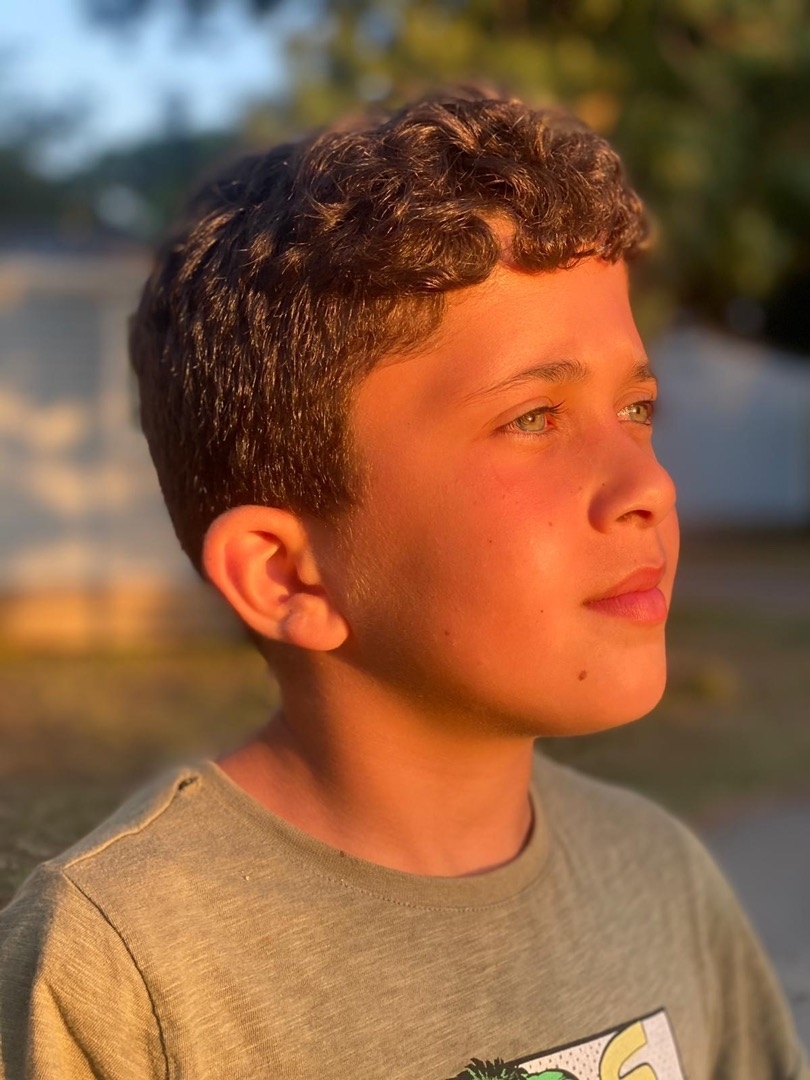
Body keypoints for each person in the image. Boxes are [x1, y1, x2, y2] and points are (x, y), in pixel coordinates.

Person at [0, 91, 806, 1080]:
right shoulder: (125, 969)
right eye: (533, 419)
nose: (651, 486)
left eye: (636, 409)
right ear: (286, 575)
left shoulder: (661, 877)